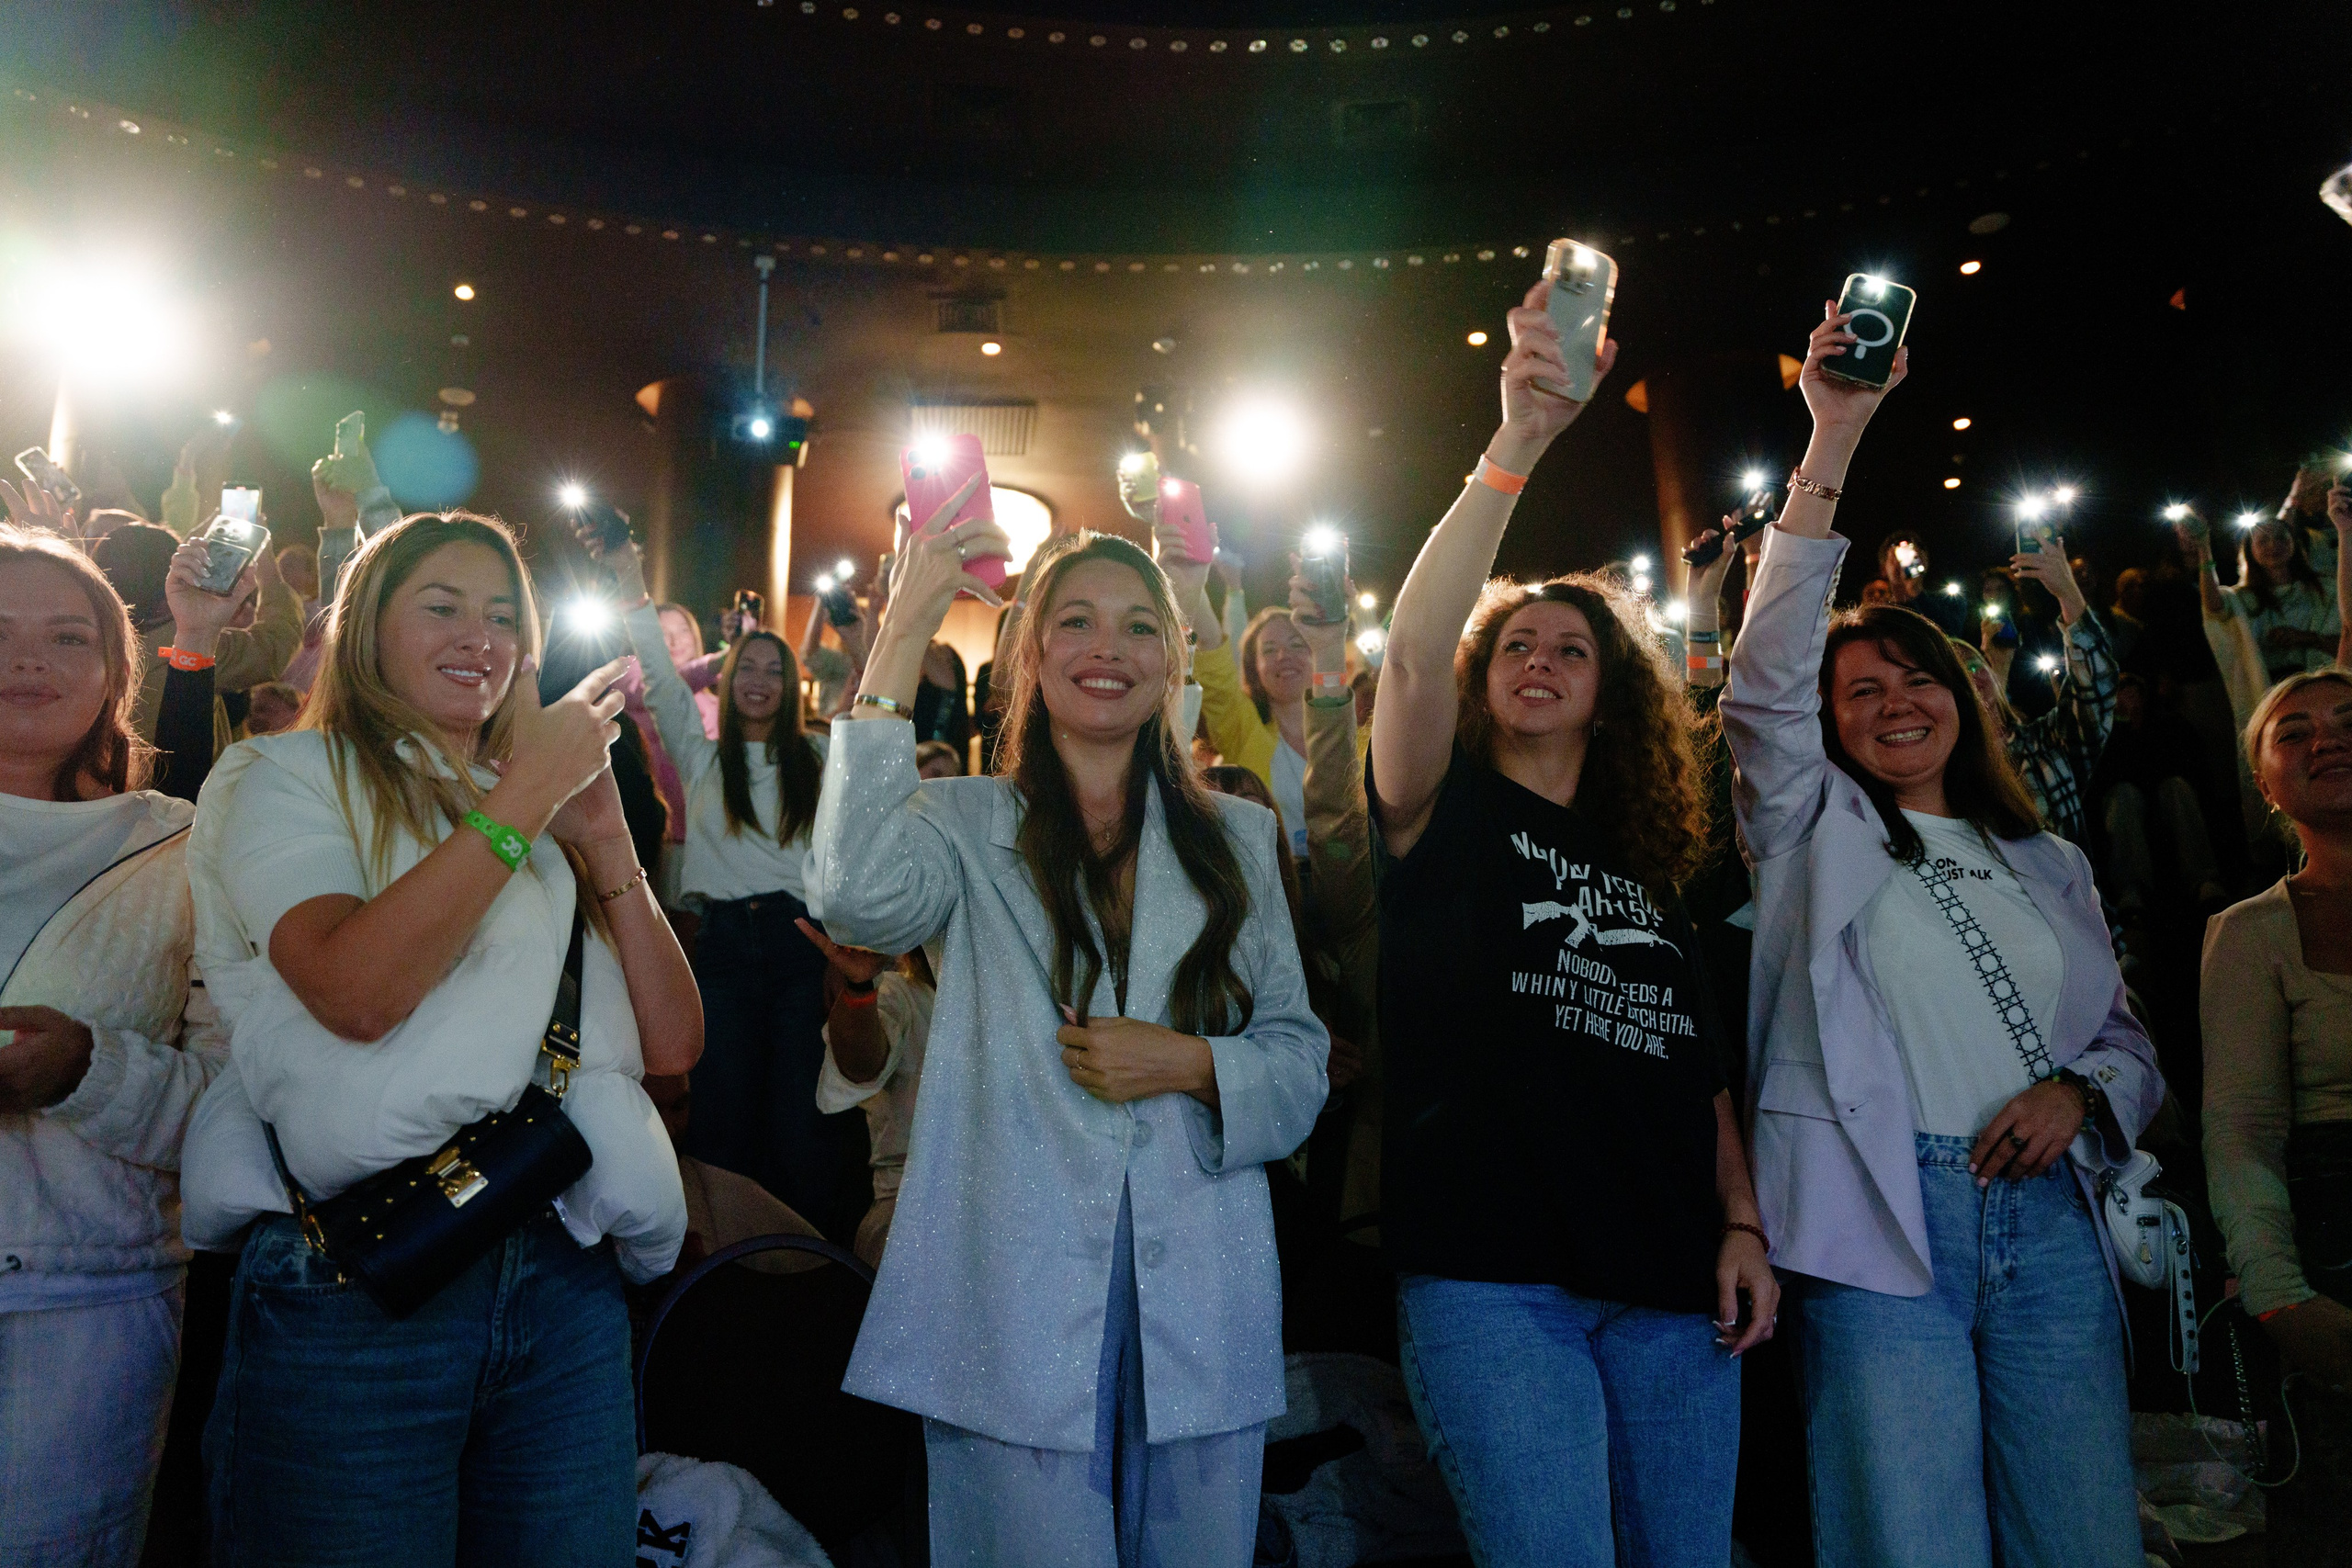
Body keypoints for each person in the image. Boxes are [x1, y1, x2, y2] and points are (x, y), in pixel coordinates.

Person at [1723, 303, 2162, 1568]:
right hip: (1881, 1213)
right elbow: (1762, 683)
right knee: (1906, 1535)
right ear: (1831, 728)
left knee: (2080, 1530)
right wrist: (1835, 436)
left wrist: (2082, 1091)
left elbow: (2129, 1042)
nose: (1893, 700)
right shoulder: (1809, 834)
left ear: (1963, 698)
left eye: (1917, 677)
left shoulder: (2049, 860)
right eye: (1859, 690)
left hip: (2053, 1219)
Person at [808, 497, 1327, 1566]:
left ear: (1172, 659)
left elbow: (1299, 1053)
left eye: (1139, 625)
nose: (1108, 648)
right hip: (1009, 1276)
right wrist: (905, 622)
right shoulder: (961, 823)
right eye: (1076, 621)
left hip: (1202, 1275)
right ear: (1030, 655)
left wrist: (1189, 1063)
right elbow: (855, 902)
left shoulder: (1237, 833)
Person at [177, 511, 697, 1566]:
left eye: (506, 616)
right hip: (359, 1277)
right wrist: (525, 796)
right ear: (370, 630)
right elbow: (356, 991)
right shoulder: (286, 776)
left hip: (560, 1271)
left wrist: (606, 846)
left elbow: (674, 1044)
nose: (482, 637)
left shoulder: (541, 810)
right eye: (444, 608)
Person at [1369, 283, 1776, 1567]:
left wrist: (1743, 1224)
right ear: (1483, 682)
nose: (1537, 656)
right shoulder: (1443, 809)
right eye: (1515, 644)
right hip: (1497, 1280)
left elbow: (1698, 1071)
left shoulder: (1651, 869)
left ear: (1610, 695)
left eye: (1571, 647)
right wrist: (1516, 447)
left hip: (1668, 1281)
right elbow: (1408, 659)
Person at [0, 525, 230, 1567]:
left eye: (63, 637)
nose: (27, 661)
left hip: (82, 1316)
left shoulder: (176, 846)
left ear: (112, 673)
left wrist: (89, 1069)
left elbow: (234, 1108)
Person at [605, 546, 857, 1234]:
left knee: (800, 1118)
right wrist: (632, 586)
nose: (760, 679)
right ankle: (721, 1273)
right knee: (721, 1115)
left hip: (797, 942)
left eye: (775, 669)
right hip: (718, 945)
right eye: (748, 665)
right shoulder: (701, 750)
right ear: (725, 676)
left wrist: (864, 633)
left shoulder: (815, 755)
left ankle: (804, 1268)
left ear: (790, 684)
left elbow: (870, 713)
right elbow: (657, 675)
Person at [2199, 668, 2352, 1564]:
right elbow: (2242, 1125)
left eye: (2346, 718)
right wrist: (2276, 1291)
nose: (2325, 738)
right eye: (2293, 731)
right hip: (2336, 1246)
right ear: (2264, 782)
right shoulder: (2252, 932)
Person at [1948, 545, 2117, 849]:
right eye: (1959, 674)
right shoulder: (1951, 775)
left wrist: (2067, 591)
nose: (1973, 675)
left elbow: (2096, 688)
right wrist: (1994, 667)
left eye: (1974, 664)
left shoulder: (2046, 744)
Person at [802, 921, 935, 1269]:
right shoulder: (898, 992)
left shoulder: (1030, 998)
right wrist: (859, 986)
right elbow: (861, 1067)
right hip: (907, 1212)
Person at [2177, 507, 2341, 684]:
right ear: (2250, 550)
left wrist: (2307, 638)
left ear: (2293, 542)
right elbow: (2215, 608)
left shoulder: (2327, 588)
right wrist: (2203, 547)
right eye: (2263, 541)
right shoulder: (2245, 598)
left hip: (2326, 683)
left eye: (2280, 538)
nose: (2273, 545)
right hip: (2272, 689)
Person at [1871, 531, 1971, 637]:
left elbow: (1949, 635)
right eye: (1897, 554)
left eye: (1916, 550)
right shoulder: (1879, 612)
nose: (1907, 558)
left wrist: (1915, 591)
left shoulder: (1949, 600)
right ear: (1883, 569)